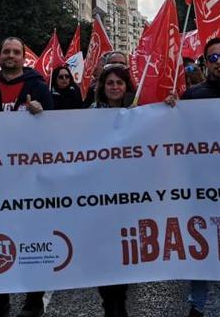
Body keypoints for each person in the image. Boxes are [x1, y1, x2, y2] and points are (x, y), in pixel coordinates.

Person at [165, 37, 220, 317]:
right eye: (212, 59)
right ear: (205, 63)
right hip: (200, 186)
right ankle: (197, 304)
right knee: (200, 246)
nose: (219, 63)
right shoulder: (191, 97)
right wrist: (170, 109)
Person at [0, 36, 51, 317]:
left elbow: (55, 128)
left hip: (30, 178)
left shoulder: (38, 87)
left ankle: (33, 300)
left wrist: (42, 112)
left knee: (33, 238)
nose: (11, 56)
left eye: (16, 52)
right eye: (6, 51)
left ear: (23, 58)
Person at [88, 64, 136, 316]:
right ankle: (109, 304)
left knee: (123, 253)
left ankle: (120, 303)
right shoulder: (91, 113)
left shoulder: (140, 112)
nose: (115, 87)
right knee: (104, 254)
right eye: (110, 83)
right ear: (102, 88)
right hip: (100, 197)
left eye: (119, 82)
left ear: (126, 86)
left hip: (129, 198)